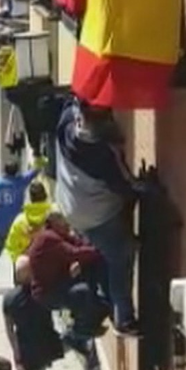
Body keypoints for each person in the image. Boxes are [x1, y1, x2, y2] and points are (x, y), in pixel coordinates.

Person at [55, 100, 139, 336]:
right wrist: (147, 190)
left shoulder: (65, 127)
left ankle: (106, 302)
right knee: (121, 256)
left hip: (70, 207)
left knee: (101, 253)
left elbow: (69, 106)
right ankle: (124, 318)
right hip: (99, 215)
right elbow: (126, 186)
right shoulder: (102, 153)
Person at [24, 214, 106, 370]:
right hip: (48, 292)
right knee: (83, 293)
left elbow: (77, 243)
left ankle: (81, 332)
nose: (67, 224)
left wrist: (89, 246)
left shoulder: (58, 236)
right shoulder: (49, 238)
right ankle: (76, 334)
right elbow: (74, 253)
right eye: (63, 221)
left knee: (95, 299)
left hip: (58, 284)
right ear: (53, 223)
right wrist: (100, 249)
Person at [1, 257, 64, 370]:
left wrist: (16, 355)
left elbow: (9, 330)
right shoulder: (43, 292)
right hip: (47, 344)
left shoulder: (9, 299)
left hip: (27, 351)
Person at [0, 162, 42, 290]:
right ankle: (17, 282)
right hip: (17, 226)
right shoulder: (21, 182)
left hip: (0, 225)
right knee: (17, 253)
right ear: (16, 172)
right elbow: (34, 172)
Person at [5, 181, 54, 266]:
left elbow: (11, 246)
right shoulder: (55, 216)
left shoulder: (20, 220)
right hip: (49, 264)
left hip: (25, 265)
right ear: (45, 196)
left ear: (30, 198)